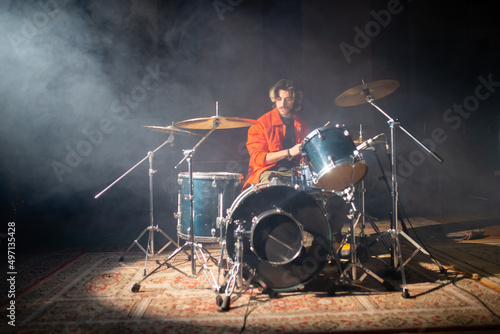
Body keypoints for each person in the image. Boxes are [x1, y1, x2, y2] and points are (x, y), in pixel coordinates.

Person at [242, 79, 310, 190]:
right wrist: (288, 152)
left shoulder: (302, 124)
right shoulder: (260, 124)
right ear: (274, 99)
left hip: (295, 173)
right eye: (279, 99)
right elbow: (259, 158)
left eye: (288, 99)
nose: (283, 104)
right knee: (278, 191)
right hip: (268, 172)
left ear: (294, 100)